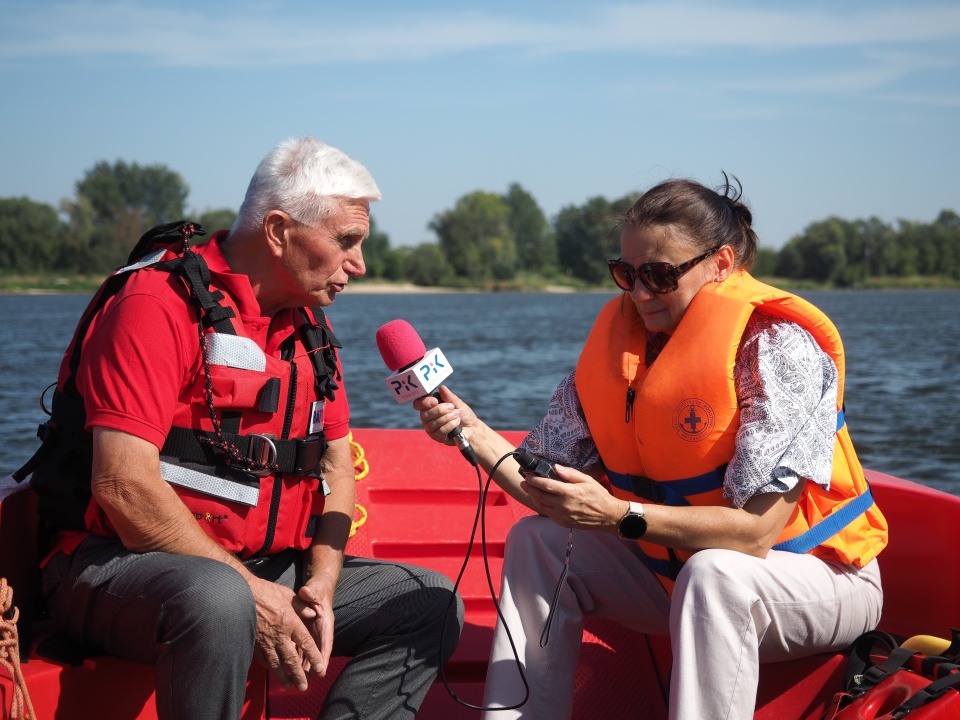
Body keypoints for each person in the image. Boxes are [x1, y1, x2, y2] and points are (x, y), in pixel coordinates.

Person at [414, 175, 888, 719]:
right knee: (537, 541)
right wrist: (471, 430)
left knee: (715, 574)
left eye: (660, 275)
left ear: (721, 263)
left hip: (821, 578)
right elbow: (544, 488)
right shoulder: (622, 349)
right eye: (626, 273)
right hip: (677, 576)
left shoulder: (778, 347)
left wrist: (619, 515)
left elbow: (756, 535)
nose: (639, 294)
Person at [23, 136, 463, 720]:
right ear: (279, 231)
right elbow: (123, 487)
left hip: (254, 568)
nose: (359, 264)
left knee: (428, 604)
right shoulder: (154, 304)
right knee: (219, 599)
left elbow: (334, 466)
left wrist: (322, 587)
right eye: (346, 242)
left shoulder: (308, 330)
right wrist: (253, 594)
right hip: (112, 565)